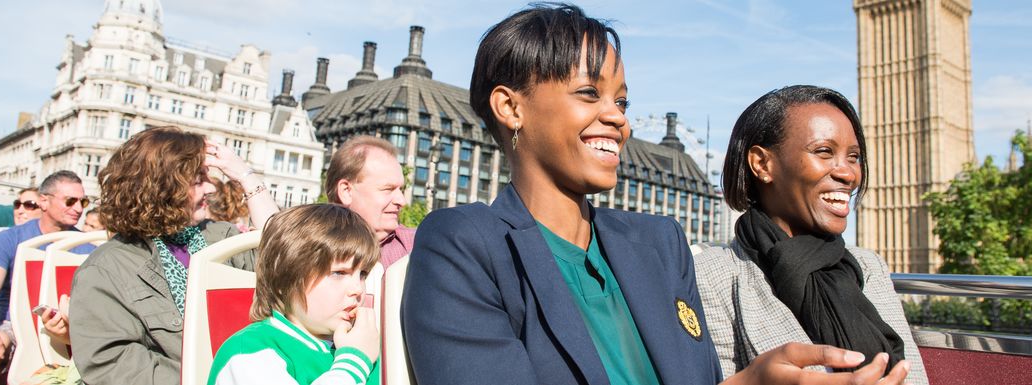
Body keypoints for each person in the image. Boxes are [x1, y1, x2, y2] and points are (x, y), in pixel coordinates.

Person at [402, 5, 908, 385]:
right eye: (588, 93)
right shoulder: (463, 243)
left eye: (621, 99)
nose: (618, 116)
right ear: (511, 108)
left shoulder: (659, 243)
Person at [693, 85, 927, 384]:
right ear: (762, 164)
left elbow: (915, 377)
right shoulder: (711, 276)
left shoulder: (868, 266)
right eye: (824, 152)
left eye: (854, 157)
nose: (848, 173)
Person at [69, 126, 277, 385]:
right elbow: (113, 364)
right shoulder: (105, 270)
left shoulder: (220, 237)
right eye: (200, 179)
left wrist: (245, 176)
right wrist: (207, 378)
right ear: (163, 186)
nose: (212, 189)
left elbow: (281, 257)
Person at [208, 204, 381, 385]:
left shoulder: (363, 344)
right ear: (285, 278)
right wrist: (354, 362)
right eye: (338, 273)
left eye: (362, 275)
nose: (357, 289)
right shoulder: (249, 352)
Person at [0, 171, 94, 376]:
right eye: (70, 201)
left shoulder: (90, 249)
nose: (78, 209)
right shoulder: (9, 239)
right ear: (44, 202)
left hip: (69, 326)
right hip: (14, 325)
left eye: (83, 202)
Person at [326, 136, 414, 268]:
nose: (401, 201)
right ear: (346, 191)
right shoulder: (304, 248)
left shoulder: (418, 247)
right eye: (388, 189)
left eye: (400, 189)